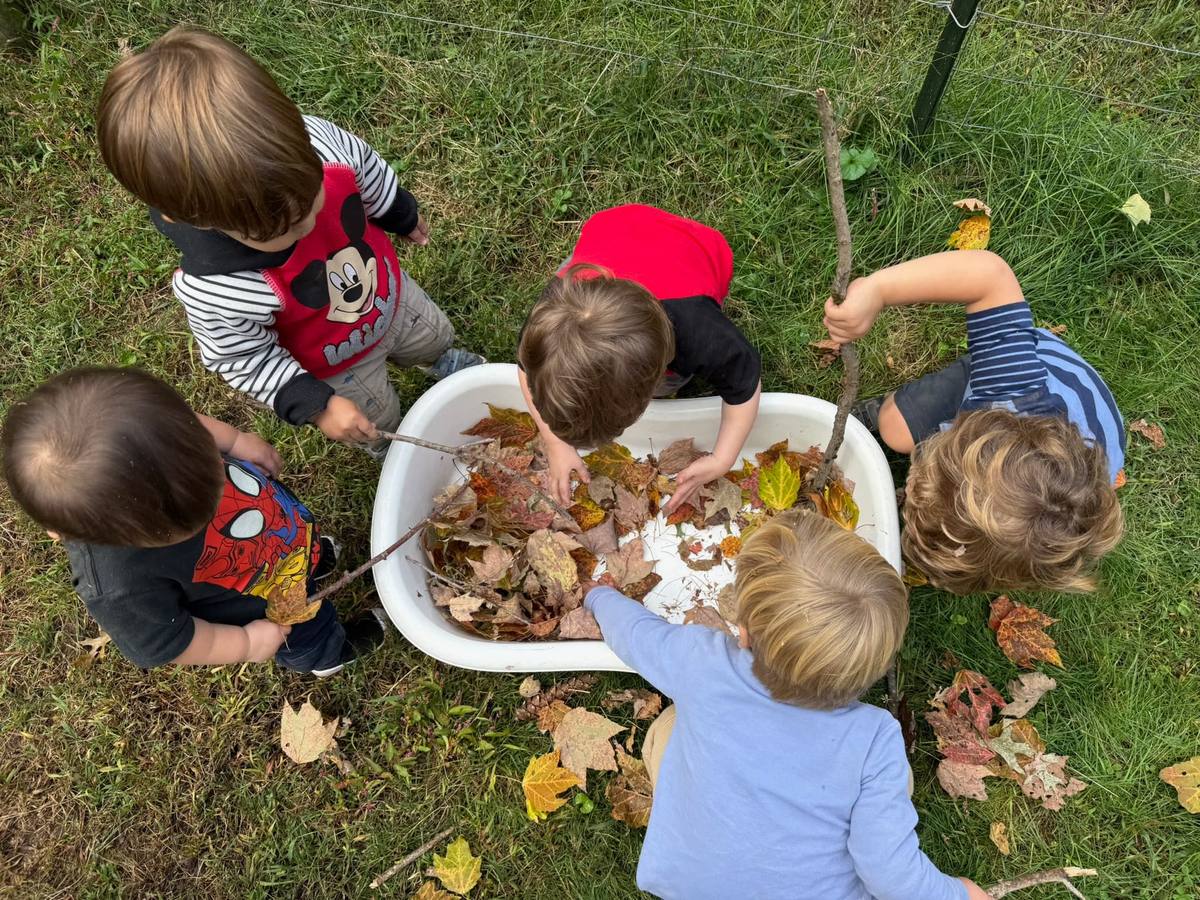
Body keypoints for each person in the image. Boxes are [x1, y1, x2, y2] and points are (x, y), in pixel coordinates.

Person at [95, 27, 483, 450]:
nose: (310, 220)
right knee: (377, 417)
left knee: (429, 333)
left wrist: (398, 211)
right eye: (280, 230)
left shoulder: (319, 143)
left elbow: (367, 170)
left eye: (312, 195)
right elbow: (241, 357)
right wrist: (317, 404)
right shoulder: (217, 287)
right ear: (195, 219)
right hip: (339, 367)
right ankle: (388, 446)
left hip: (390, 296)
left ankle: (442, 361)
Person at [585, 511, 989, 900]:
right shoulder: (874, 737)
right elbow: (888, 870)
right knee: (894, 783)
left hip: (688, 886)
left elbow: (635, 633)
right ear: (872, 668)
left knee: (668, 727)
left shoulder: (703, 662)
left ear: (742, 633)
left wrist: (599, 596)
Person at [1, 368, 385, 674]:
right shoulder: (118, 587)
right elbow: (173, 640)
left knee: (305, 549)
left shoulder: (156, 427)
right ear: (61, 532)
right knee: (308, 630)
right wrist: (247, 644)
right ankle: (327, 653)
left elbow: (186, 420)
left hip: (278, 533)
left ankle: (312, 558)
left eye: (210, 470)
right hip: (265, 606)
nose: (215, 495)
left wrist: (234, 442)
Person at [824, 250, 1124, 594]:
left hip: (1043, 435)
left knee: (900, 436)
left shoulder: (1052, 538)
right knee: (893, 427)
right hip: (1030, 368)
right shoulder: (1011, 381)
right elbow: (990, 277)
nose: (908, 484)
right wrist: (877, 291)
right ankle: (889, 410)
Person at [518, 204, 761, 514]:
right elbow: (525, 370)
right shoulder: (547, 326)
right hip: (610, 230)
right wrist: (555, 442)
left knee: (683, 366)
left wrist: (722, 458)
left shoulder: (699, 330)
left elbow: (745, 381)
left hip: (691, 251)